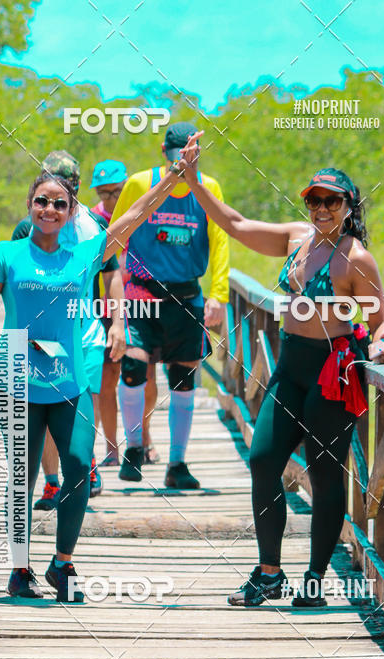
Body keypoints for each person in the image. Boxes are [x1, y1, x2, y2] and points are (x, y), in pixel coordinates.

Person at [0, 145, 195, 602]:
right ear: (30, 205)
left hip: (69, 380)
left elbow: (136, 213)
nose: (50, 209)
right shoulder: (6, 253)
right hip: (20, 374)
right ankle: (19, 568)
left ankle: (62, 562)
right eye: (42, 201)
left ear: (71, 208)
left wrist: (174, 174)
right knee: (20, 476)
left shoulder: (85, 253)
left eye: (60, 203)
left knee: (79, 466)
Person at [182, 149, 384, 607]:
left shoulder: (356, 259)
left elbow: (380, 320)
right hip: (290, 365)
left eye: (332, 202)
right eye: (314, 201)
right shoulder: (298, 238)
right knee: (262, 459)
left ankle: (315, 581)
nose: (321, 209)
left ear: (349, 206)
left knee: (324, 476)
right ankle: (269, 572)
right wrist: (195, 180)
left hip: (331, 372)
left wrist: (381, 345)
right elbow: (236, 225)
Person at [111, 121, 229, 489]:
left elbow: (221, 238)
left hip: (186, 294)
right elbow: (116, 233)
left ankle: (177, 463)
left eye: (191, 153)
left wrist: (219, 295)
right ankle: (134, 447)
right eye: (179, 153)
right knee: (132, 367)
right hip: (141, 290)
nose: (184, 159)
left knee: (183, 379)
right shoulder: (139, 183)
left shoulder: (208, 188)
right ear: (165, 152)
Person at [12, 151, 125, 505]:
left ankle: (84, 462)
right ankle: (51, 481)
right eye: (46, 194)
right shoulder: (23, 229)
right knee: (43, 409)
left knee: (81, 402)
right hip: (36, 337)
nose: (52, 204)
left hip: (82, 331)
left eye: (63, 193)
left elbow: (113, 274)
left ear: (75, 190)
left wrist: (118, 323)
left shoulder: (93, 226)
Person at [89, 159, 133, 468]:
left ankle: (143, 441)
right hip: (107, 309)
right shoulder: (92, 221)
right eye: (104, 193)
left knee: (139, 376)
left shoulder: (142, 213)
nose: (111, 200)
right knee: (107, 380)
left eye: (117, 192)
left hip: (144, 301)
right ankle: (111, 447)